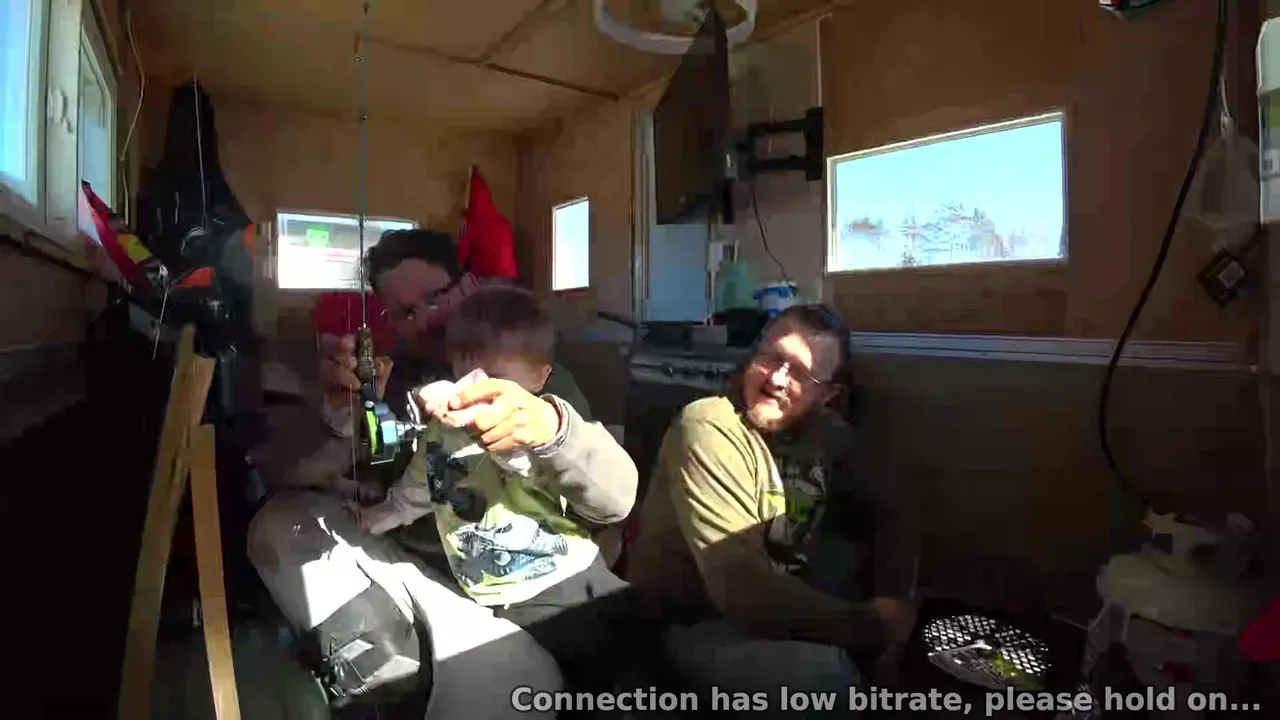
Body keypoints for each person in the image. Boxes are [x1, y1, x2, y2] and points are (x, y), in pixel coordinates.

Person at [247, 230, 612, 718]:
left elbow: (604, 504)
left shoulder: (534, 380)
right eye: (405, 312)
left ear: (468, 285)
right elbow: (297, 472)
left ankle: (440, 680)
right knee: (278, 524)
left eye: (435, 298)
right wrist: (338, 420)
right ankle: (386, 677)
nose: (425, 320)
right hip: (411, 564)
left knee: (511, 690)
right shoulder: (392, 379)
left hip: (507, 593)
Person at [625, 304, 920, 718]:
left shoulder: (826, 432)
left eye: (800, 372)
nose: (777, 379)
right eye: (771, 358)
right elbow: (742, 587)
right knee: (824, 681)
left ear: (826, 395)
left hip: (783, 588)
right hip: (690, 622)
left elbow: (893, 509)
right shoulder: (707, 427)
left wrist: (892, 597)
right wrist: (874, 628)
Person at [354, 284, 641, 702]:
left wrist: (515, 442)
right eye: (468, 378)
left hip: (563, 585)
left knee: (612, 678)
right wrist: (386, 513)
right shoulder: (442, 429)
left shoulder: (534, 435)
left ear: (541, 377)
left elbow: (529, 465)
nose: (479, 394)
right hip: (490, 595)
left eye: (499, 383)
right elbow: (423, 481)